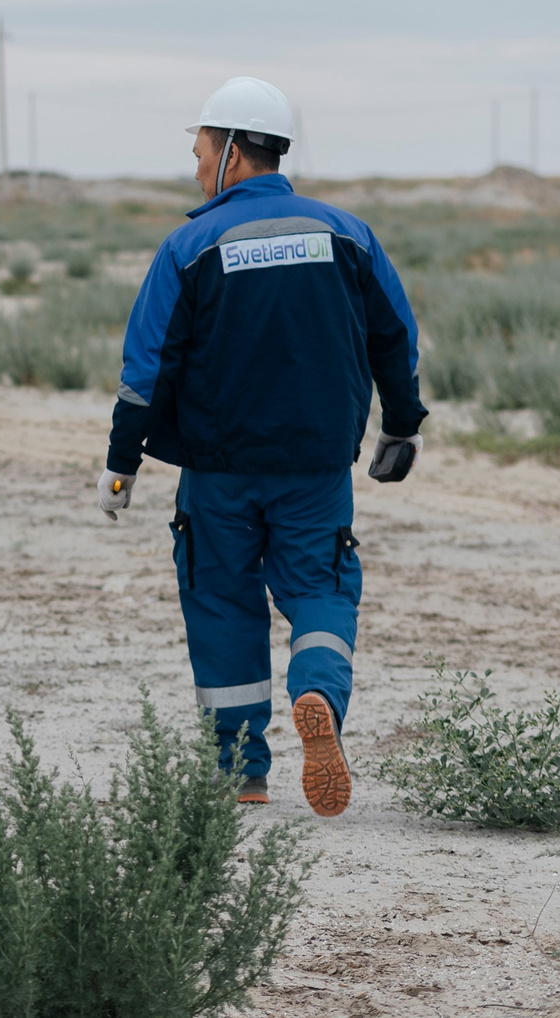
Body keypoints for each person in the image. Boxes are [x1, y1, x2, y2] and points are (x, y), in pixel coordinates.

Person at [101, 76, 426, 816]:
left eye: (202, 147)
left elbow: (145, 368)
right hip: (315, 467)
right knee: (319, 590)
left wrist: (122, 463)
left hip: (218, 473)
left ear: (237, 152)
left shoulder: (189, 244)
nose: (194, 164)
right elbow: (394, 337)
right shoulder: (349, 234)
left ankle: (243, 772)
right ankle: (316, 693)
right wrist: (401, 425)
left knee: (222, 604)